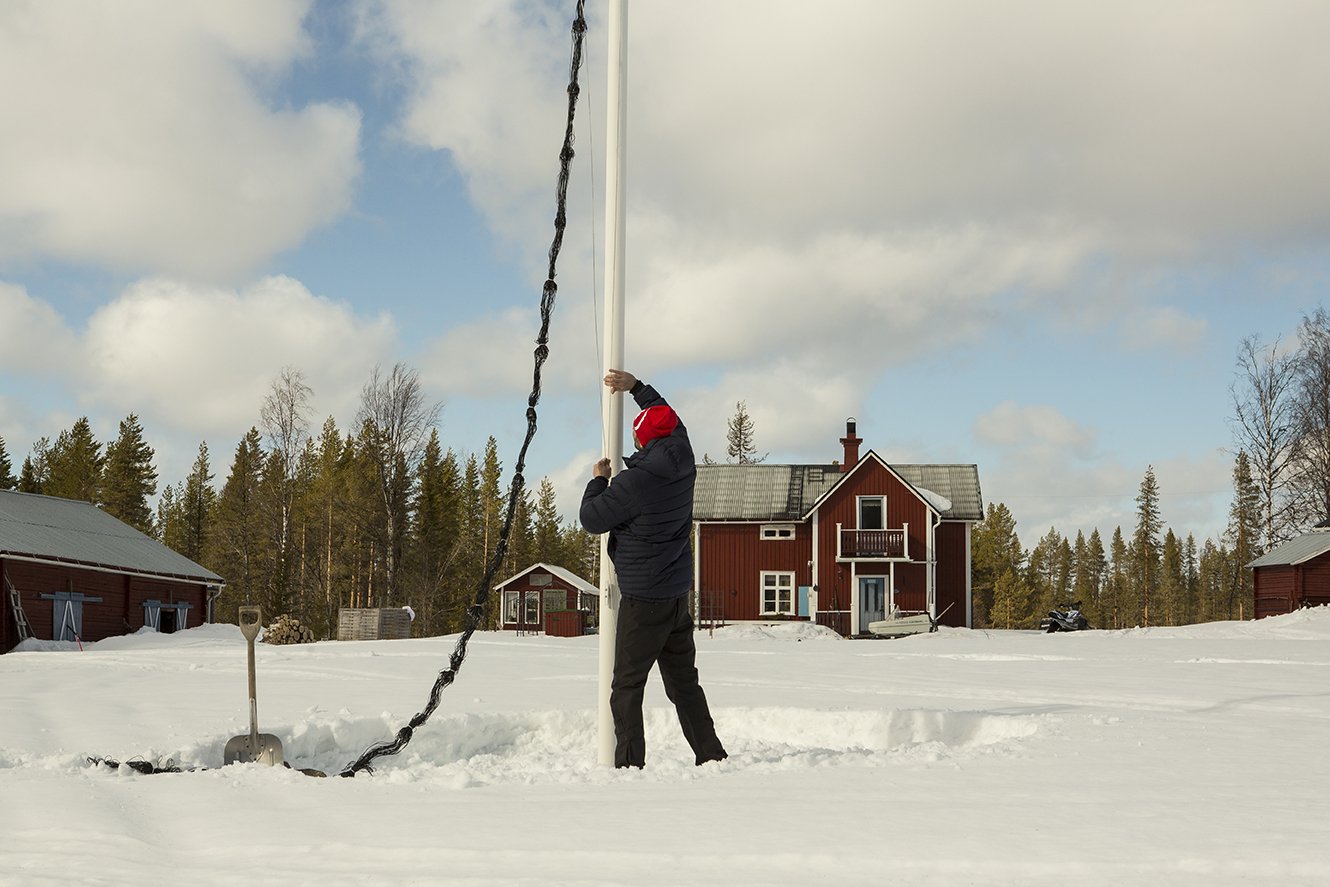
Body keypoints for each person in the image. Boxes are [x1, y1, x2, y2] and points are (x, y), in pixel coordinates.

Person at [580, 369, 728, 769]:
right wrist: (637, 388)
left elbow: (592, 519)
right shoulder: (683, 454)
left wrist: (598, 482)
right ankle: (711, 756)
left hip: (644, 599)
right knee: (683, 683)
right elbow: (668, 416)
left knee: (626, 686)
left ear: (643, 440)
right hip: (676, 596)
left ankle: (628, 767)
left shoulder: (637, 482)